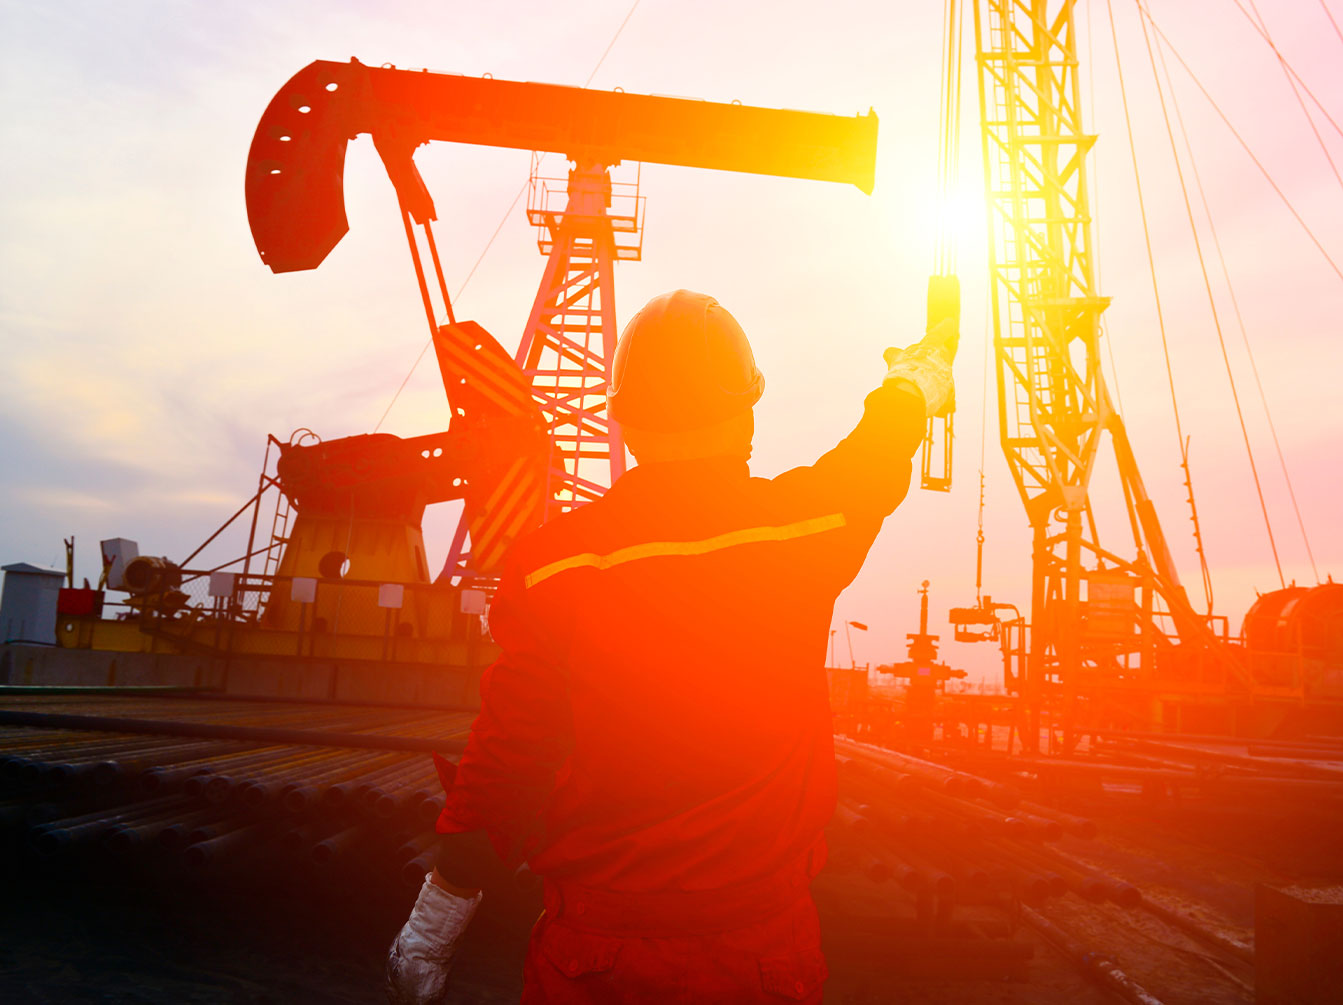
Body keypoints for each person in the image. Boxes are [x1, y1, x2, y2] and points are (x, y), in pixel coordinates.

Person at [386, 289, 957, 1003]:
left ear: (623, 416)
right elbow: (874, 454)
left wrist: (437, 914)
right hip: (756, 954)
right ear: (746, 408)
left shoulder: (554, 563)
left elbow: (509, 756)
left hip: (595, 955)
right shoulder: (801, 528)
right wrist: (915, 380)